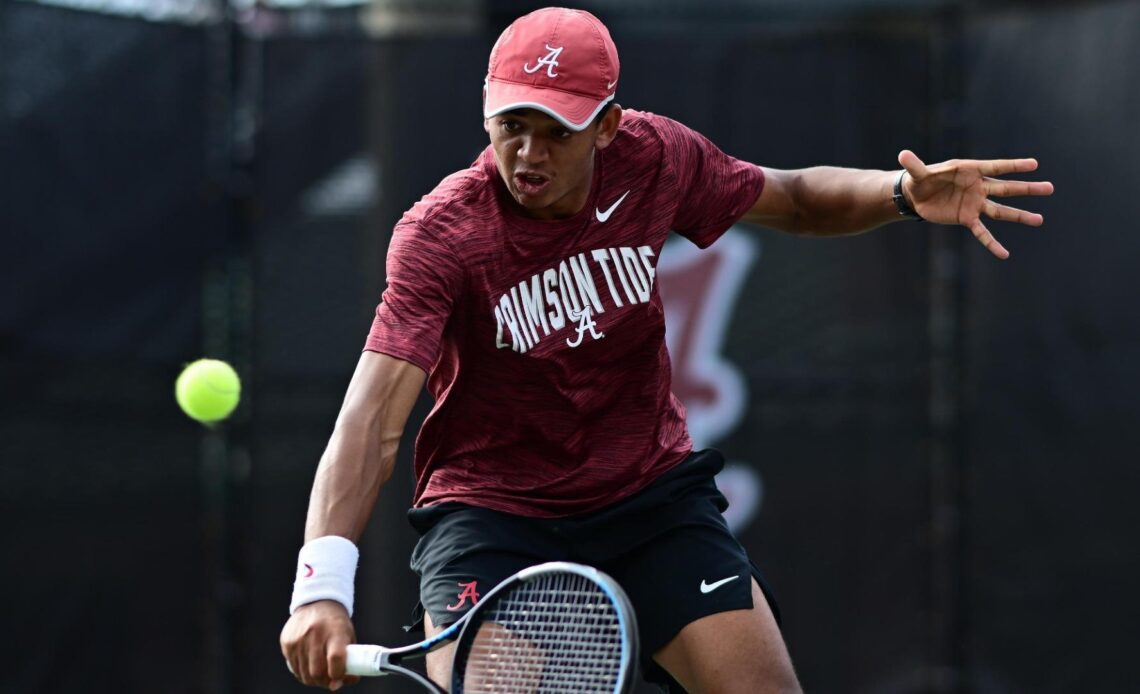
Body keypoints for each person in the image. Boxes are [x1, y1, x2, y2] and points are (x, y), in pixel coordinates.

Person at [279, 7, 1053, 693]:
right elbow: (372, 419)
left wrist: (899, 195)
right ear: (486, 118)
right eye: (513, 125)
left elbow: (792, 199)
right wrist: (321, 586)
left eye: (557, 130)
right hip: (493, 517)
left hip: (649, 497)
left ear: (608, 125)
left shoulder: (656, 158)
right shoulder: (441, 234)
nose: (528, 153)